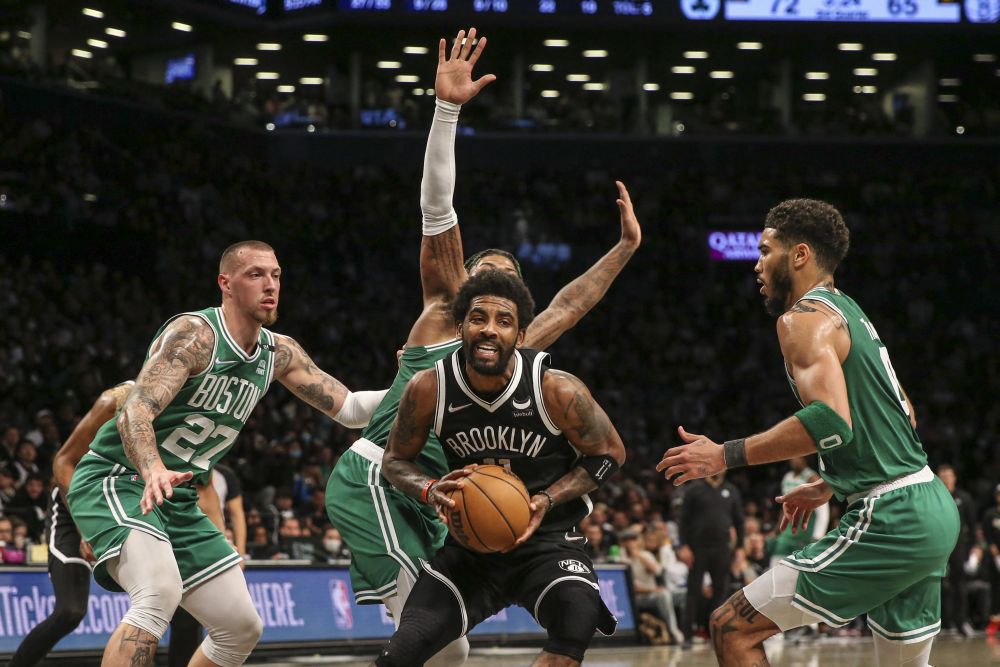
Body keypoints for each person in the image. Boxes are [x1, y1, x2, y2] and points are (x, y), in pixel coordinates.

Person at [325, 27, 641, 667]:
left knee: (454, 650)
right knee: (428, 640)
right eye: (483, 287)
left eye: (510, 295)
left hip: (444, 488)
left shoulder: (517, 348)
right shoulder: (447, 313)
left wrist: (625, 249)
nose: (493, 310)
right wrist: (446, 113)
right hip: (384, 478)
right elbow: (436, 207)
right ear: (464, 299)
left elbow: (571, 304)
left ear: (516, 317)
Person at [657, 198, 959, 666]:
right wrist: (834, 482)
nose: (757, 265)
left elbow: (831, 421)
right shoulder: (851, 312)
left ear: (799, 255)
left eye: (765, 250)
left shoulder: (801, 320)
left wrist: (725, 455)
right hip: (930, 503)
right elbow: (906, 414)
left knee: (731, 627)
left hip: (893, 517)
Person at [66, 240, 387, 667]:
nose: (269, 285)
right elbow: (135, 412)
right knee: (158, 593)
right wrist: (154, 469)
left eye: (275, 275)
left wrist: (418, 385)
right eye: (255, 274)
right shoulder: (196, 335)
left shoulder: (279, 352)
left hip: (176, 499)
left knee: (240, 627)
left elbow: (349, 410)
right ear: (226, 284)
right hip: (120, 479)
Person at [375, 270, 626, 667]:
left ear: (521, 336)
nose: (489, 330)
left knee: (575, 619)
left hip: (547, 542)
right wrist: (429, 488)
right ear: (460, 327)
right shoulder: (429, 388)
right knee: (398, 655)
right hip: (468, 552)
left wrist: (546, 498)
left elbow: (610, 453)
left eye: (503, 322)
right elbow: (393, 461)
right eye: (478, 318)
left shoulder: (556, 389)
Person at [7, 382, 132, 667]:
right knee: (71, 611)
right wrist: (85, 530)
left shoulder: (165, 419)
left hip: (113, 510)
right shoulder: (114, 403)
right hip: (71, 509)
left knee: (155, 598)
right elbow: (62, 468)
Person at [677, 471, 743, 648]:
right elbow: (683, 520)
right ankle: (688, 636)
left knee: (721, 591)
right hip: (697, 548)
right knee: (693, 591)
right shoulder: (694, 489)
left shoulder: (731, 490)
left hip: (722, 548)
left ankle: (714, 632)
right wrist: (683, 545)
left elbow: (739, 521)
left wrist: (740, 548)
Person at [936, 464, 977, 637]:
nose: (945, 478)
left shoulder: (964, 498)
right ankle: (937, 624)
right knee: (935, 585)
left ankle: (961, 622)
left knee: (959, 585)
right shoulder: (934, 497)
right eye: (942, 475)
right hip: (937, 547)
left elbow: (972, 525)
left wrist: (973, 550)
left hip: (959, 547)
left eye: (948, 475)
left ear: (954, 478)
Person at [769, 456, 829, 569]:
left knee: (801, 562)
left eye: (797, 458)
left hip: (806, 524)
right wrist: (776, 530)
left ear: (804, 459)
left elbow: (823, 506)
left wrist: (818, 535)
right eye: (792, 458)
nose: (793, 460)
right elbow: (785, 507)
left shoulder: (811, 476)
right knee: (779, 551)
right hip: (789, 523)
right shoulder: (787, 477)